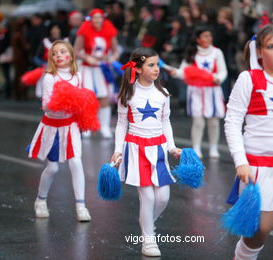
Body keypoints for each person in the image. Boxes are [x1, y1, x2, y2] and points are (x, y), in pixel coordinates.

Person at [224, 24, 273, 260]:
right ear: (259, 51)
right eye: (271, 46)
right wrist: (241, 162)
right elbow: (232, 122)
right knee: (261, 227)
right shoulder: (248, 79)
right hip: (258, 165)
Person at [110, 47, 181, 257]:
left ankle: (147, 226)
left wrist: (171, 146)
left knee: (163, 198)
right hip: (136, 149)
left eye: (157, 64)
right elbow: (121, 124)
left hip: (158, 149)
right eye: (151, 65)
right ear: (138, 69)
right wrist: (117, 150)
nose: (156, 69)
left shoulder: (163, 94)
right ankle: (148, 240)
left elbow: (165, 121)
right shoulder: (127, 94)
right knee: (148, 197)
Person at [28, 40, 91, 222]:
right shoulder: (49, 77)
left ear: (70, 56)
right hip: (52, 127)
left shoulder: (77, 76)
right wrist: (62, 101)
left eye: (62, 52)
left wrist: (80, 107)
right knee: (53, 168)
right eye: (54, 53)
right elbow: (46, 106)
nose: (58, 56)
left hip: (70, 126)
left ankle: (81, 206)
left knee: (76, 162)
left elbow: (80, 102)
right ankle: (40, 201)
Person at [173, 26, 228, 158]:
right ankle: (196, 147)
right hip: (196, 91)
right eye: (205, 36)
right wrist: (175, 72)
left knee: (213, 122)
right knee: (198, 122)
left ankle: (213, 148)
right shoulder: (192, 53)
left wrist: (218, 78)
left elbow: (223, 71)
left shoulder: (217, 52)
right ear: (198, 39)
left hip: (212, 91)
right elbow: (183, 71)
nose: (209, 38)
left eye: (210, 35)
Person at [74, 8, 119, 138]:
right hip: (87, 68)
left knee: (104, 97)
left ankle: (104, 127)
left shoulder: (109, 31)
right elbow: (76, 50)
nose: (97, 20)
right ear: (91, 19)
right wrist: (87, 58)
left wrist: (112, 58)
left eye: (100, 17)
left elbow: (116, 50)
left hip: (102, 68)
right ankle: (86, 125)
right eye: (95, 17)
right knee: (87, 97)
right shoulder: (84, 31)